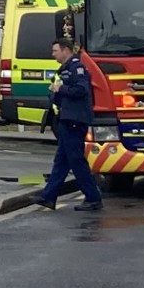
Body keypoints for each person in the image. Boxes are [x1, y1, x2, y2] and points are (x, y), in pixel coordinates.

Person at [37, 37, 102, 211]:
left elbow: (81, 90)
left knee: (76, 160)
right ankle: (48, 197)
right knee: (62, 161)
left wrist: (61, 89)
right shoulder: (64, 69)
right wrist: (54, 94)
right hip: (66, 118)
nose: (53, 55)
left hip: (75, 120)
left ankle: (93, 197)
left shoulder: (76, 67)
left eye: (55, 51)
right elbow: (58, 90)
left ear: (66, 50)